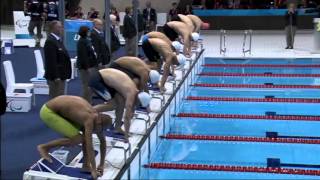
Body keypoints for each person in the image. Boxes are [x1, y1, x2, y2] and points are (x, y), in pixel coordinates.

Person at [37, 95, 112, 179]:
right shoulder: (89, 120)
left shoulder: (97, 118)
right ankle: (44, 147)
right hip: (48, 112)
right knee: (79, 139)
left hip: (61, 110)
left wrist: (101, 164)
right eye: (98, 130)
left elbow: (102, 141)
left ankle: (86, 166)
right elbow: (89, 146)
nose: (97, 132)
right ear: (99, 123)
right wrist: (94, 170)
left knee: (85, 135)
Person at [89, 69, 152, 140]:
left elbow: (135, 103)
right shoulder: (130, 94)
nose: (137, 106)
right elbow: (127, 118)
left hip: (106, 79)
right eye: (139, 104)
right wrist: (126, 135)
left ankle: (117, 127)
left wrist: (137, 109)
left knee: (121, 103)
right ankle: (88, 112)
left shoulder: (135, 91)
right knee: (112, 105)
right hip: (98, 81)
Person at [44, 21, 71, 99]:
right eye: (59, 27)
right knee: (55, 97)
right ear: (53, 29)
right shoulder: (50, 41)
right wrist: (56, 76)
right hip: (56, 76)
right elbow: (51, 61)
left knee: (60, 97)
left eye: (61, 27)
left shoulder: (58, 40)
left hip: (61, 74)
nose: (61, 29)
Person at [77, 26, 98, 103]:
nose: (89, 33)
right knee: (86, 85)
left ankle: (88, 100)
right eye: (88, 31)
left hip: (90, 65)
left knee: (89, 85)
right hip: (85, 67)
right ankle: (85, 102)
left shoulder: (86, 40)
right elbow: (83, 56)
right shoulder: (82, 42)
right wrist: (87, 67)